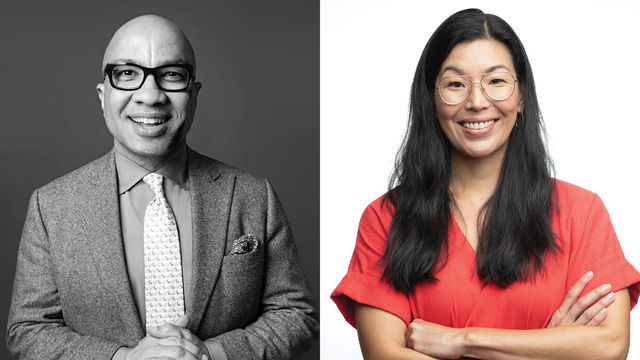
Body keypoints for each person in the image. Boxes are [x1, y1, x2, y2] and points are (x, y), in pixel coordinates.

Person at [332, 8, 640, 360]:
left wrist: (463, 341)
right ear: (431, 100)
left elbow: (610, 346)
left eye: (496, 81)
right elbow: (385, 356)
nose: (477, 102)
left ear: (522, 96)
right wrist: (547, 347)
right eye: (455, 84)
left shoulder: (581, 212)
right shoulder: (385, 219)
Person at [6, 14, 318, 360]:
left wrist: (210, 354)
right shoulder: (51, 207)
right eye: (127, 74)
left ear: (194, 94)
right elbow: (28, 329)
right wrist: (122, 359)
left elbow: (296, 314)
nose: (150, 96)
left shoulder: (254, 196)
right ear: (102, 95)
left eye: (171, 75)